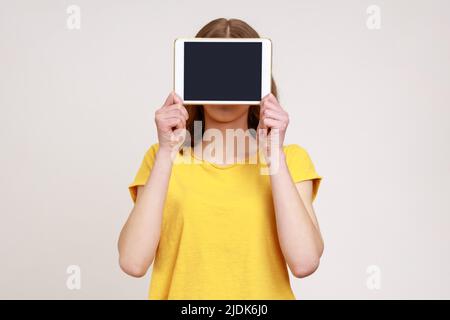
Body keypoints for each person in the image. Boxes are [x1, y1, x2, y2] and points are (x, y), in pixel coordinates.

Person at [118, 18, 323, 300]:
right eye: (213, 74)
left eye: (236, 75)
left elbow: (305, 262)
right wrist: (166, 151)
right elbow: (132, 262)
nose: (224, 90)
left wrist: (273, 153)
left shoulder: (290, 159)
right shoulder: (161, 158)